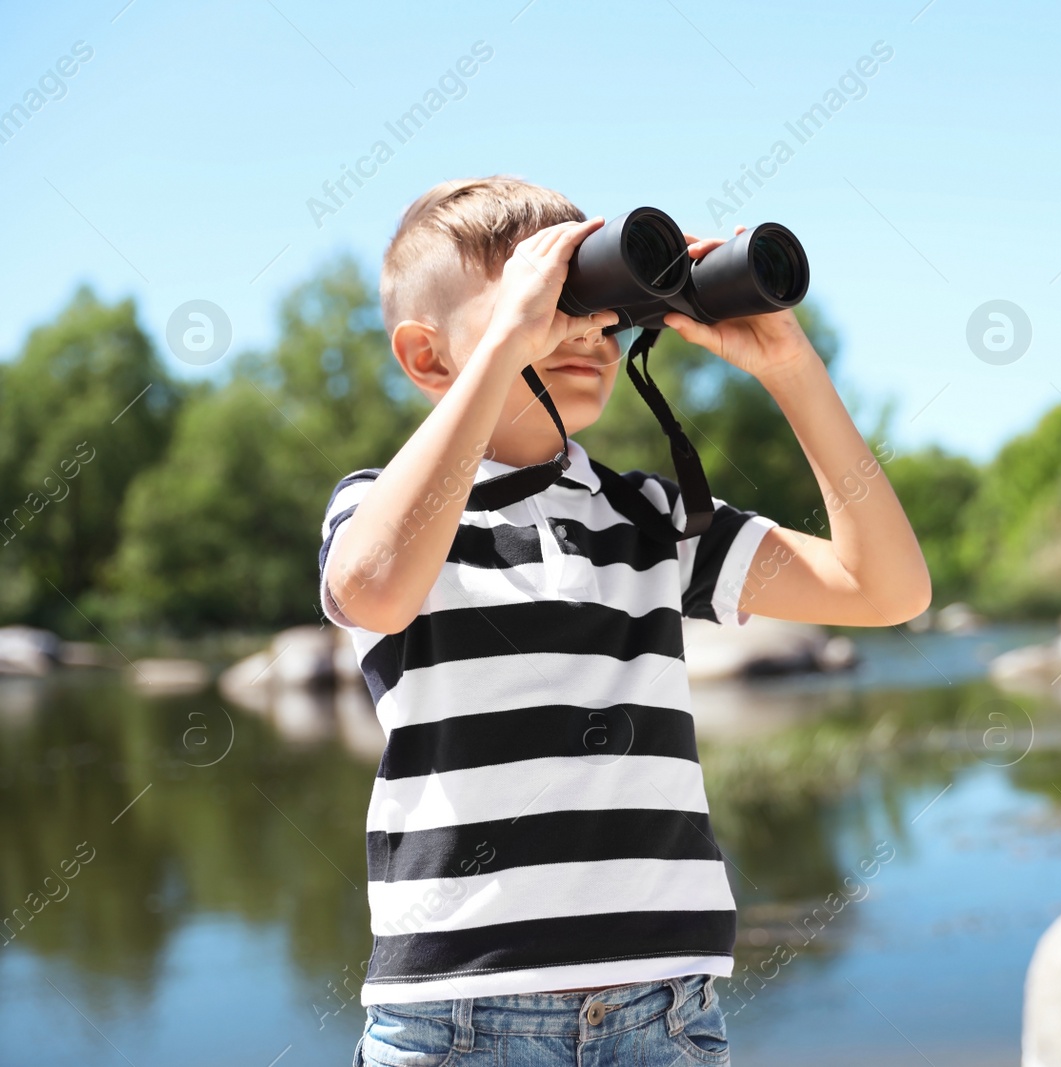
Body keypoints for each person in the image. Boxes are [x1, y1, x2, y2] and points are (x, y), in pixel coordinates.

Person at [318, 176, 930, 1066]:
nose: (585, 329)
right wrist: (503, 352)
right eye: (543, 297)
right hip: (462, 1017)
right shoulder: (383, 508)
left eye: (596, 302)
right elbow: (373, 585)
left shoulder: (648, 518)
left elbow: (885, 588)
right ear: (427, 356)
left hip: (664, 1011)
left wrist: (790, 370)